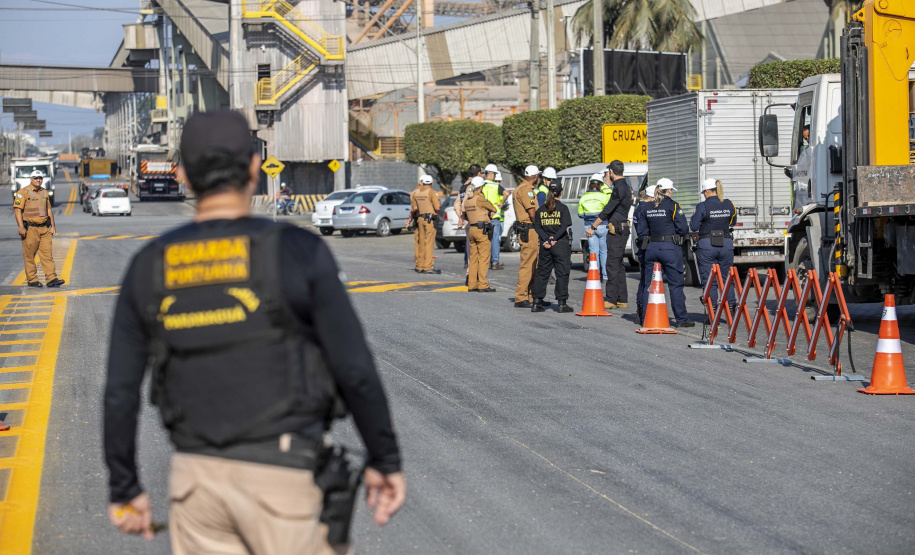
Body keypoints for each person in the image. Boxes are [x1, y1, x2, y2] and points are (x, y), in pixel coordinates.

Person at [103, 110, 405, 554]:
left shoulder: (149, 265)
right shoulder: (296, 250)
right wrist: (384, 458)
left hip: (196, 484)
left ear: (183, 175)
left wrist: (125, 488)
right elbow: (354, 368)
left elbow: (120, 392)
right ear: (253, 167)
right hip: (284, 476)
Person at [635, 178, 694, 328]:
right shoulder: (673, 206)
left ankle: (645, 317)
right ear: (669, 190)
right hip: (669, 248)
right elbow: (683, 228)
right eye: (671, 190)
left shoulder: (646, 207)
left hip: (651, 248)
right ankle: (681, 319)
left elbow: (641, 232)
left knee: (648, 284)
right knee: (675, 284)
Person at [585, 160, 632, 310]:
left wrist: (593, 226)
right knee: (618, 264)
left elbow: (608, 210)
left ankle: (611, 299)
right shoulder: (626, 187)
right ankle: (621, 299)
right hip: (621, 228)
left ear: (611, 171)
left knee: (611, 264)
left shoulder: (619, 188)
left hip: (616, 230)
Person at [690, 178, 737, 310]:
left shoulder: (702, 206)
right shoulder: (729, 204)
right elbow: (732, 222)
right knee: (727, 278)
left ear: (707, 191)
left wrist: (694, 215)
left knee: (709, 279)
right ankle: (731, 308)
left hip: (707, 245)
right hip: (725, 243)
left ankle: (712, 311)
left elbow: (694, 227)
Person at [13, 170, 64, 288]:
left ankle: (51, 278)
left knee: (47, 254)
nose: (38, 180)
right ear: (31, 179)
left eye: (40, 178)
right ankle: (32, 279)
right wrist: (21, 227)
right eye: (36, 178)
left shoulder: (44, 192)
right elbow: (17, 210)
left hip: (44, 228)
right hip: (30, 229)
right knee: (29, 255)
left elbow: (49, 209)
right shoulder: (23, 192)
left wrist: (53, 226)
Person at [532, 181, 574, 313]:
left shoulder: (541, 210)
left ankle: (536, 302)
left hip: (545, 245)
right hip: (560, 244)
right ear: (561, 192)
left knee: (542, 273)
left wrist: (546, 239)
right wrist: (554, 239)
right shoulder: (563, 208)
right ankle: (562, 304)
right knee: (562, 273)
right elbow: (564, 226)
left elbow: (537, 227)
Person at [461, 176, 498, 292]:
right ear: (481, 187)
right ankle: (483, 284)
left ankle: (472, 284)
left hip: (472, 229)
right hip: (482, 230)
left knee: (473, 258)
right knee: (484, 258)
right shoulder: (480, 198)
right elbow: (493, 208)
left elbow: (464, 211)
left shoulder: (468, 199)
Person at [512, 165, 541, 307]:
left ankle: (530, 295)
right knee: (528, 264)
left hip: (528, 230)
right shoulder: (526, 190)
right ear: (535, 176)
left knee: (534, 264)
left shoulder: (522, 188)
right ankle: (521, 297)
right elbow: (532, 212)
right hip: (529, 230)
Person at [578, 173, 611, 282]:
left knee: (593, 251)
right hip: (603, 226)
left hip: (589, 227)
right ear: (600, 184)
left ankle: (595, 274)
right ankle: (605, 276)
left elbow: (580, 214)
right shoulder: (604, 196)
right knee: (604, 251)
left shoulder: (584, 197)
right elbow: (607, 211)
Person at [632, 183, 657, 325]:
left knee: (644, 281)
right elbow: (644, 233)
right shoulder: (644, 209)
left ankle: (640, 312)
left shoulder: (639, 208)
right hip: (646, 247)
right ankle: (643, 313)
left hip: (643, 246)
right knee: (647, 281)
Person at [410, 174, 442, 274]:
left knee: (421, 243)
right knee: (429, 243)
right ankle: (428, 266)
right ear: (432, 183)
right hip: (429, 220)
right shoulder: (432, 192)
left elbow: (414, 208)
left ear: (422, 183)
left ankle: (420, 266)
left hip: (420, 219)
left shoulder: (416, 193)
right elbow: (437, 207)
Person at [455, 164, 481, 282]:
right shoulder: (472, 187)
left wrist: (461, 218)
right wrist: (464, 217)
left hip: (468, 222)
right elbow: (465, 204)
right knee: (476, 252)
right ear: (479, 173)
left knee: (471, 251)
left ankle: (470, 276)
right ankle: (472, 277)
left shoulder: (462, 186)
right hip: (474, 222)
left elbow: (456, 205)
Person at [481, 164, 510, 270]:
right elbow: (506, 193)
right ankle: (494, 262)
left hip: (483, 217)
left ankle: (484, 262)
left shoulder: (482, 185)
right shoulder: (496, 186)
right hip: (495, 217)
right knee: (494, 240)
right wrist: (501, 203)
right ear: (492, 174)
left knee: (484, 241)